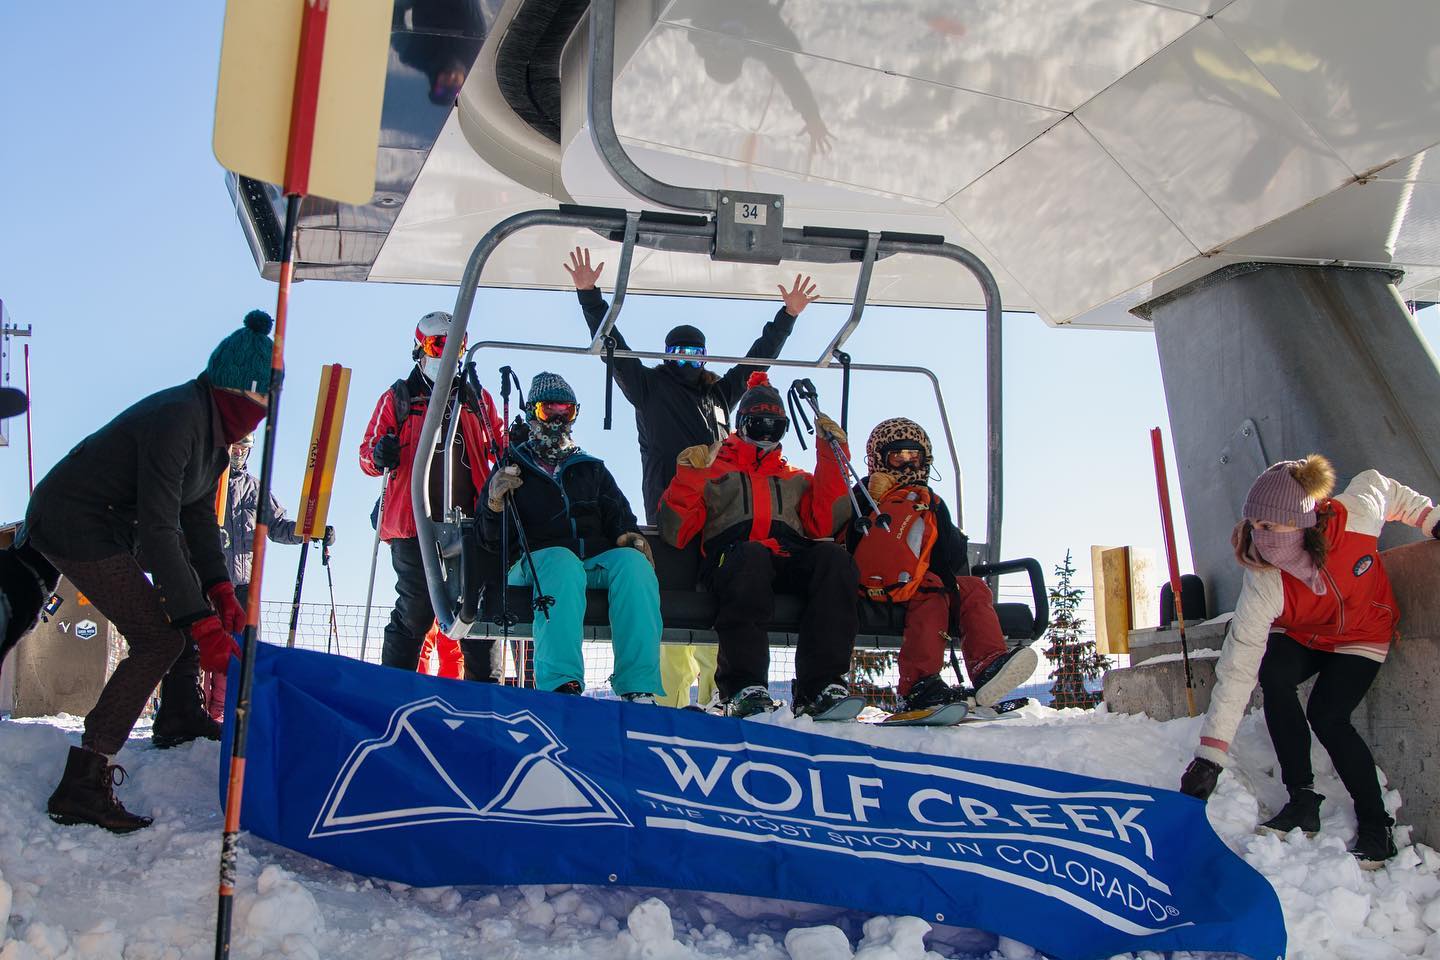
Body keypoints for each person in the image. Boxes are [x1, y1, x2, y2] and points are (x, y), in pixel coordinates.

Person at [25, 310, 273, 832]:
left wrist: (220, 592)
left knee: (179, 619)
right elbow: (161, 529)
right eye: (260, 405)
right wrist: (200, 623)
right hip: (75, 521)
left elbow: (197, 522)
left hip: (115, 527)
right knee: (159, 640)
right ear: (240, 395)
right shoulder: (180, 419)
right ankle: (83, 781)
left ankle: (178, 713)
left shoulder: (212, 437)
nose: (262, 418)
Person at [565, 248, 817, 710]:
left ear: (704, 358)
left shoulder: (719, 395)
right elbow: (614, 350)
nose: (686, 362)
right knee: (671, 620)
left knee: (718, 612)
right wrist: (590, 295)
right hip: (672, 517)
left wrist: (787, 317)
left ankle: (721, 697)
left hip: (720, 520)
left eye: (694, 355)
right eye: (677, 354)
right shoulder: (650, 388)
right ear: (667, 355)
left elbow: (754, 360)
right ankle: (665, 704)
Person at [1179, 455, 1440, 868]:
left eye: (1269, 526)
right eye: (1254, 526)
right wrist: (1210, 758)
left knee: (1328, 715)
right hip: (1305, 635)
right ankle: (1303, 800)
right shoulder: (1264, 577)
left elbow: (1382, 485)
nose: (1259, 537)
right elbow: (1238, 666)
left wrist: (1430, 519)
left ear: (1301, 520)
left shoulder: (1352, 519)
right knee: (1273, 672)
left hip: (1362, 634)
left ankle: (1376, 825)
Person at [658, 372, 856, 718]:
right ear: (741, 424)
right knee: (749, 559)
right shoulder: (714, 467)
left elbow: (824, 522)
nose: (766, 434)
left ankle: (821, 686)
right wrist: (690, 475)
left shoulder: (794, 476)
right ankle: (743, 686)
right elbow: (675, 532)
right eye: (757, 425)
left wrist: (831, 454)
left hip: (786, 554)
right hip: (734, 558)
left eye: (775, 427)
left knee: (832, 559)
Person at [479, 372, 662, 701]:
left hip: (589, 562)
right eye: (549, 411)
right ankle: (560, 684)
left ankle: (638, 685)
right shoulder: (513, 466)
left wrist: (628, 537)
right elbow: (488, 538)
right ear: (533, 413)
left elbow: (620, 514)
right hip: (535, 564)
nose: (559, 419)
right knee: (562, 562)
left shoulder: (589, 468)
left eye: (568, 411)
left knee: (633, 566)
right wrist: (495, 503)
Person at [847, 418, 1038, 710]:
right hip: (874, 584)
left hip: (921, 582)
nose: (907, 465)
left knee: (971, 587)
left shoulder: (931, 502)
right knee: (933, 589)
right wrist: (878, 503)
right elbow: (847, 540)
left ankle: (989, 666)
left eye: (915, 457)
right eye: (897, 457)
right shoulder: (863, 496)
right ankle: (918, 684)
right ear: (879, 459)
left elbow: (948, 559)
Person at [359, 310, 506, 678]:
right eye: (439, 344)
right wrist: (381, 453)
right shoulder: (400, 397)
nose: (447, 354)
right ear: (420, 348)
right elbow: (367, 454)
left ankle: (484, 698)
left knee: (475, 607)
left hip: (469, 521)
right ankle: (394, 689)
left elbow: (498, 442)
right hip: (415, 523)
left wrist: (512, 450)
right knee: (417, 607)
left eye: (457, 345)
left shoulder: (474, 398)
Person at [176, 434, 334, 728]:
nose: (237, 454)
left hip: (241, 583)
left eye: (242, 449)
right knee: (201, 645)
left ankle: (225, 710)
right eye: (233, 448)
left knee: (240, 648)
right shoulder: (206, 482)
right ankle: (192, 705)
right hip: (205, 579)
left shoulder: (255, 491)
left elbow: (278, 527)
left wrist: (311, 530)